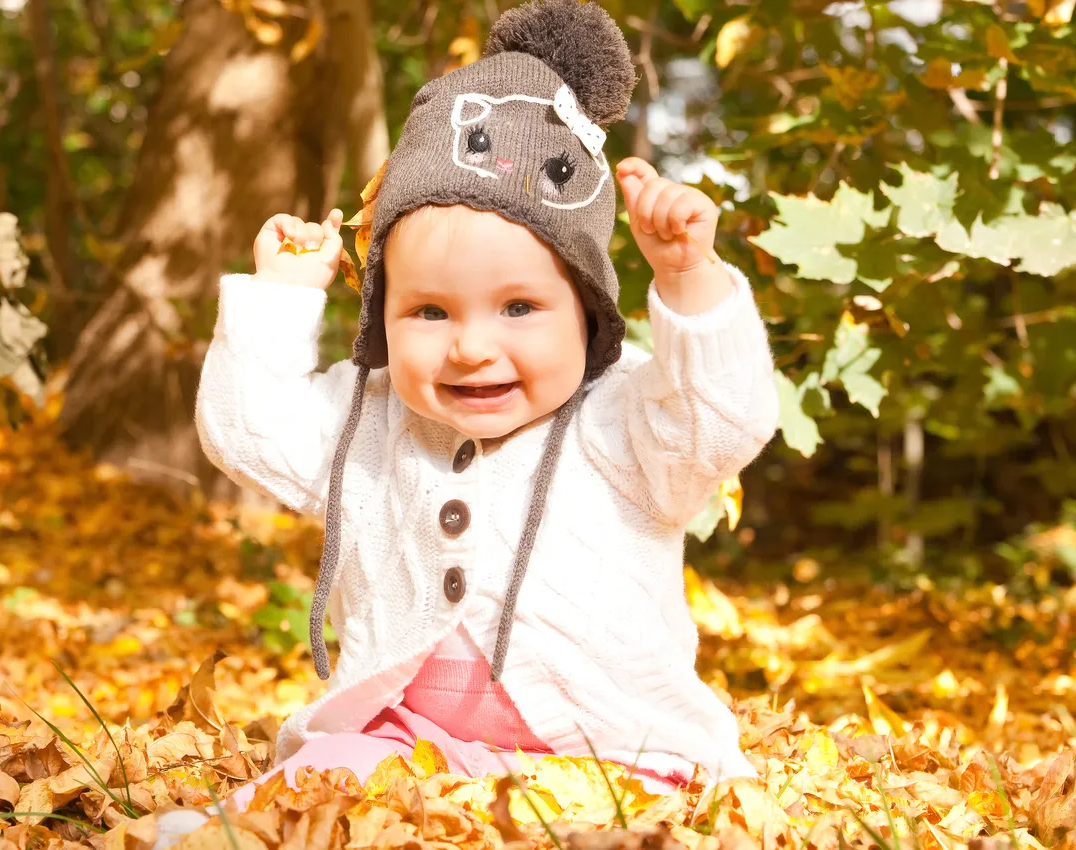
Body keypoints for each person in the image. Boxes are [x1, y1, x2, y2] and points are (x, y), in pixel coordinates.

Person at [186, 0, 779, 821]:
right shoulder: (375, 419)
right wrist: (281, 299)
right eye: (429, 313)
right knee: (303, 799)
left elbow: (724, 420)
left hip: (613, 749)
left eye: (519, 309)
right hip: (404, 738)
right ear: (381, 318)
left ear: (588, 311)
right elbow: (249, 432)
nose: (470, 347)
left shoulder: (625, 418)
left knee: (617, 827)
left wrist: (688, 282)